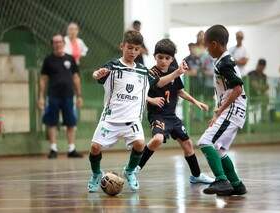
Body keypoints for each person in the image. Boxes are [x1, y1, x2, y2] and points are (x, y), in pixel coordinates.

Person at [87, 31, 188, 193]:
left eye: (136, 49)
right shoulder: (113, 65)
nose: (132, 52)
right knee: (95, 147)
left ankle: (129, 171)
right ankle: (96, 174)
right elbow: (98, 74)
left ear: (140, 50)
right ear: (122, 46)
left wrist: (177, 73)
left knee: (140, 144)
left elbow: (160, 83)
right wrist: (96, 74)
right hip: (111, 119)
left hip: (132, 120)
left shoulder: (143, 71)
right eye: (129, 48)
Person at [136, 38, 214, 184]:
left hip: (171, 116)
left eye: (167, 58)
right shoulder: (151, 73)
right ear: (154, 56)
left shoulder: (174, 71)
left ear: (172, 58)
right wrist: (151, 99)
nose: (164, 61)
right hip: (157, 115)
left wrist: (196, 101)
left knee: (188, 144)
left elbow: (180, 92)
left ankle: (196, 176)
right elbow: (158, 84)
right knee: (157, 139)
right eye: (160, 57)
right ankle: (135, 167)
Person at [198, 25, 247, 196]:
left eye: (206, 45)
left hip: (233, 109)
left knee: (205, 141)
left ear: (215, 44)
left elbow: (238, 89)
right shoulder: (223, 61)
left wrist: (219, 111)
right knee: (219, 149)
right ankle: (236, 184)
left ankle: (221, 180)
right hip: (233, 110)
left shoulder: (225, 63)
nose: (206, 49)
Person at [38, 34, 83, 159]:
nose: (58, 44)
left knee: (71, 122)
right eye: (55, 42)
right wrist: (41, 97)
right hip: (53, 96)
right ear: (52, 44)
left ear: (64, 43)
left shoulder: (70, 59)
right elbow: (43, 79)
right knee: (51, 122)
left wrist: (79, 95)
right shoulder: (48, 60)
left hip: (68, 96)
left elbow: (76, 77)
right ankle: (53, 148)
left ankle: (71, 149)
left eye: (60, 42)